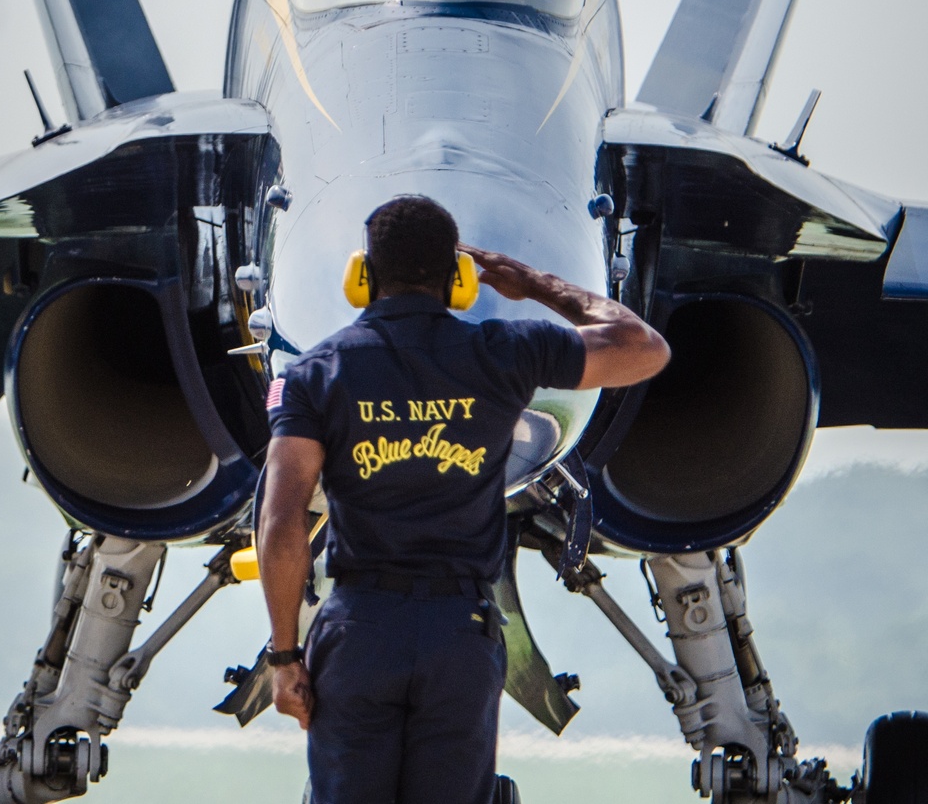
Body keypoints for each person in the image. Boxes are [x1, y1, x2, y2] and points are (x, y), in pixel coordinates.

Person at [257, 194, 670, 804]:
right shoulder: (504, 352)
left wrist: (285, 654)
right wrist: (535, 283)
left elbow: (282, 518)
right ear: (459, 280)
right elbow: (644, 347)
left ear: (362, 277)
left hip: (359, 630)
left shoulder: (315, 374)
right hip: (461, 635)